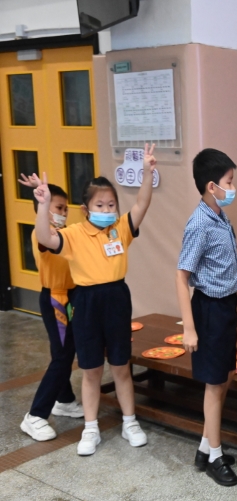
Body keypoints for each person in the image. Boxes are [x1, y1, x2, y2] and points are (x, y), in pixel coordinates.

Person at [33, 144, 158, 456]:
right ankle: (90, 428)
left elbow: (142, 204)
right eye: (99, 204)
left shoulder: (121, 228)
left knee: (120, 365)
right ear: (85, 209)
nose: (106, 209)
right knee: (90, 369)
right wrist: (43, 205)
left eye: (111, 204)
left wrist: (147, 173)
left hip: (117, 298)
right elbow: (45, 238)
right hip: (86, 301)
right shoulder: (74, 234)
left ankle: (130, 422)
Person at [176, 148, 237, 486]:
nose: (232, 188)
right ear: (212, 186)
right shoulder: (199, 225)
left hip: (226, 307)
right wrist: (190, 328)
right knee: (214, 383)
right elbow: (181, 277)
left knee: (226, 374)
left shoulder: (220, 216)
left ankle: (206, 446)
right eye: (229, 182)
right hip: (208, 310)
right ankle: (215, 457)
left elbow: (226, 268)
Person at [19, 174, 83, 441]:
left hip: (71, 296)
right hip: (56, 299)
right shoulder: (41, 234)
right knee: (62, 356)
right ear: (43, 209)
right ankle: (35, 415)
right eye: (58, 208)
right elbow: (45, 234)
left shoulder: (66, 233)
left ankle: (64, 399)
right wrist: (43, 201)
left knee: (64, 351)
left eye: (65, 208)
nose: (63, 213)